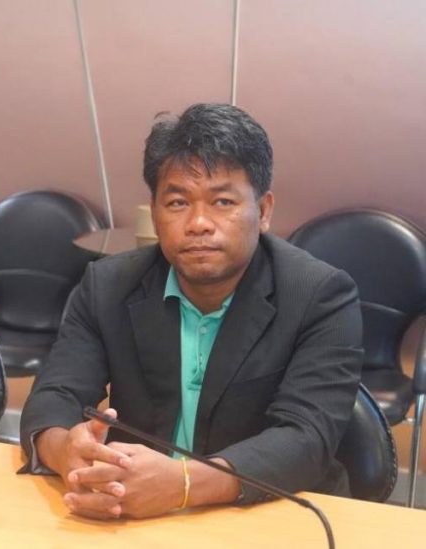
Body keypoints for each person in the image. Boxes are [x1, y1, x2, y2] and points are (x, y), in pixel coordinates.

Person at [20, 103, 363, 519]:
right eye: (178, 202)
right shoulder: (107, 286)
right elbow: (54, 396)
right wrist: (66, 452)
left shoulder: (319, 296)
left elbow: (306, 438)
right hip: (135, 512)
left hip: (266, 513)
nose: (199, 222)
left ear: (263, 211)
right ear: (154, 213)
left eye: (222, 201)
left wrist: (183, 483)